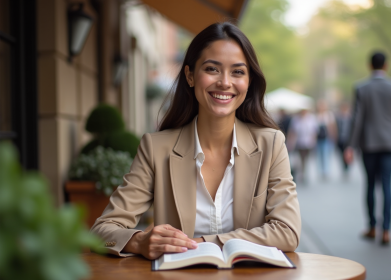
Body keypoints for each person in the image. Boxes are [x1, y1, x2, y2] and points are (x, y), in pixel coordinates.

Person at [91, 22, 301, 260]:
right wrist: (139, 241)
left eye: (238, 72)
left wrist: (204, 243)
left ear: (249, 81)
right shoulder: (156, 148)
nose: (225, 82)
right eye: (212, 69)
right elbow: (102, 231)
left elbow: (287, 232)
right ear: (190, 75)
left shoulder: (271, 144)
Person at [345, 51, 391, 245]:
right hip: (390, 143)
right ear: (386, 65)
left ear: (369, 65)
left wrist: (350, 145)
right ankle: (387, 230)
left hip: (369, 144)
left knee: (371, 185)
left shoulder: (361, 88)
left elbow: (357, 119)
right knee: (388, 186)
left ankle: (372, 227)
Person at [287, 109, 318, 183]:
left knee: (305, 159)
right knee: (299, 159)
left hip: (308, 143)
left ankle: (303, 173)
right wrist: (290, 142)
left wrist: (313, 141)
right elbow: (292, 131)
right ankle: (301, 173)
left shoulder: (311, 119)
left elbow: (314, 131)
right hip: (298, 143)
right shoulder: (296, 120)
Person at [315, 100, 337, 180]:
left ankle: (326, 171)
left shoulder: (329, 115)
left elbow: (332, 127)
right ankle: (321, 171)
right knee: (319, 155)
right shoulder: (316, 115)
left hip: (326, 138)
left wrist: (333, 137)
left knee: (326, 154)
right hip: (318, 139)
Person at [335, 102, 352, 176]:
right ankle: (344, 167)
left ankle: (347, 166)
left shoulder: (350, 117)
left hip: (348, 139)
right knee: (341, 154)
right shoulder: (338, 117)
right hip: (340, 139)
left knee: (347, 153)